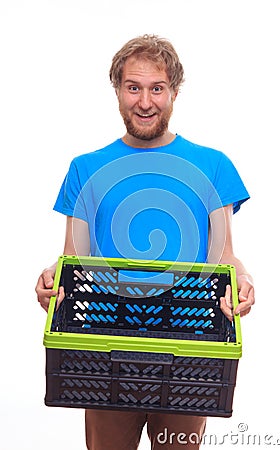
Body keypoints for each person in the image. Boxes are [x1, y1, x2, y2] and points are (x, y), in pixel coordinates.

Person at [36, 34, 255, 450]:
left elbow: (225, 256)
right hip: (106, 342)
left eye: (157, 88)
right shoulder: (85, 169)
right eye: (133, 87)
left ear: (174, 91)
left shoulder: (213, 166)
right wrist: (51, 278)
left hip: (189, 343)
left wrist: (243, 280)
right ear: (117, 89)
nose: (145, 101)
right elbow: (72, 259)